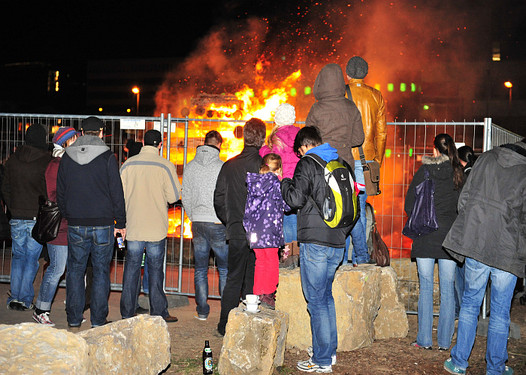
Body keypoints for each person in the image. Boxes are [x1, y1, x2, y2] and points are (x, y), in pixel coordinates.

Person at [442, 139, 526, 375]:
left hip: (477, 240)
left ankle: (459, 363)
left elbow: (464, 200)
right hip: (508, 250)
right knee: (501, 312)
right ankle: (495, 369)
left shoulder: (486, 158)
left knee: (470, 304)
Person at [281, 126, 354, 373]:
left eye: (300, 152)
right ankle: (328, 352)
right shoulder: (341, 162)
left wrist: (285, 182)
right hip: (337, 242)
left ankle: (321, 361)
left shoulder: (308, 163)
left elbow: (295, 200)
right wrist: (342, 232)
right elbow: (353, 202)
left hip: (315, 242)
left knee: (316, 301)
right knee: (325, 297)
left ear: (303, 147)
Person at [57, 116, 126, 328]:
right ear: (102, 132)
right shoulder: (107, 157)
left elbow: (60, 192)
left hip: (77, 222)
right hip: (103, 224)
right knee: (101, 271)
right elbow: (117, 192)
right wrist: (121, 223)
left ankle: (74, 318)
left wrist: (68, 213)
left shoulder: (67, 157)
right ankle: (97, 320)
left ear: (81, 132)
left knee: (76, 271)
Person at [404, 133, 464, 351]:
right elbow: (462, 205)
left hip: (425, 234)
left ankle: (424, 339)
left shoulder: (425, 171)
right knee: (448, 288)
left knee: (426, 286)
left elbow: (410, 202)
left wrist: (417, 217)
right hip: (449, 237)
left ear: (435, 150)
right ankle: (445, 341)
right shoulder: (458, 173)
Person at [119, 129, 180, 323]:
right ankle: (158, 312)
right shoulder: (165, 166)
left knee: (131, 269)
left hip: (134, 225)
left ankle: (127, 312)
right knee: (155, 270)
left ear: (143, 142)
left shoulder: (128, 164)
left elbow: (118, 196)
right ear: (160, 145)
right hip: (156, 227)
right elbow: (173, 197)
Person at [214, 118, 266, 336]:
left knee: (233, 278)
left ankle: (225, 325)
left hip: (236, 230)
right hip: (258, 231)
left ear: (244, 136)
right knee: (252, 278)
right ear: (263, 139)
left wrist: (231, 220)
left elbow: (218, 199)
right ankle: (247, 326)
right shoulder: (264, 167)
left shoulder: (229, 165)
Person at [2, 124, 52, 311]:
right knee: (31, 259)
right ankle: (24, 298)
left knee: (18, 257)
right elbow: (48, 190)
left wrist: (13, 206)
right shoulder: (46, 161)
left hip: (16, 215)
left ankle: (15, 297)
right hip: (35, 217)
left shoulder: (12, 160)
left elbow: (5, 188)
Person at [33, 127, 78, 325]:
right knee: (57, 269)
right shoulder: (56, 165)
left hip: (70, 225)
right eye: (74, 138)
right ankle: (41, 309)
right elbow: (53, 196)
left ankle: (74, 311)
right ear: (66, 142)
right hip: (59, 226)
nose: (77, 141)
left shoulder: (67, 163)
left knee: (71, 269)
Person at [182, 130, 228, 321]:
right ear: (218, 144)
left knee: (201, 269)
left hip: (198, 222)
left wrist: (193, 216)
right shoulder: (223, 167)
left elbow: (185, 195)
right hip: (217, 222)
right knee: (224, 269)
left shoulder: (190, 166)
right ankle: (226, 312)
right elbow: (227, 196)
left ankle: (202, 311)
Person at [345, 56, 387, 265]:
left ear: (348, 73)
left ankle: (345, 258)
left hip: (343, 160)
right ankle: (360, 257)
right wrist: (376, 160)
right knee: (360, 210)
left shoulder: (342, 93)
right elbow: (381, 133)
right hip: (365, 161)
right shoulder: (376, 96)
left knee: (343, 208)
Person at [243, 153, 290, 309]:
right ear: (279, 169)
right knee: (271, 260)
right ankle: (268, 294)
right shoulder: (276, 184)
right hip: (270, 230)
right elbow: (287, 206)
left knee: (260, 262)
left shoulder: (253, 183)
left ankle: (257, 293)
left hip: (255, 231)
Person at [259, 103, 300, 250]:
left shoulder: (276, 137)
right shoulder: (299, 134)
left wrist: (262, 149)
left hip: (282, 183)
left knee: (284, 219)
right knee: (294, 217)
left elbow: (271, 157)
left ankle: (287, 254)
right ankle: (295, 253)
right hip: (298, 183)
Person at [453, 145, 477, 318]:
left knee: (459, 274)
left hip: (464, 231)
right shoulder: (478, 173)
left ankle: (460, 311)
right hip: (476, 231)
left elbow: (460, 205)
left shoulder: (464, 176)